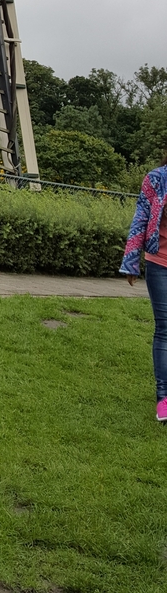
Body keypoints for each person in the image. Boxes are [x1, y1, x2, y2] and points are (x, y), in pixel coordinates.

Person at [120, 156, 167, 423]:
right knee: (164, 329)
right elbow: (140, 218)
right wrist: (130, 262)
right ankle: (164, 398)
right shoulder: (156, 179)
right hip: (159, 264)